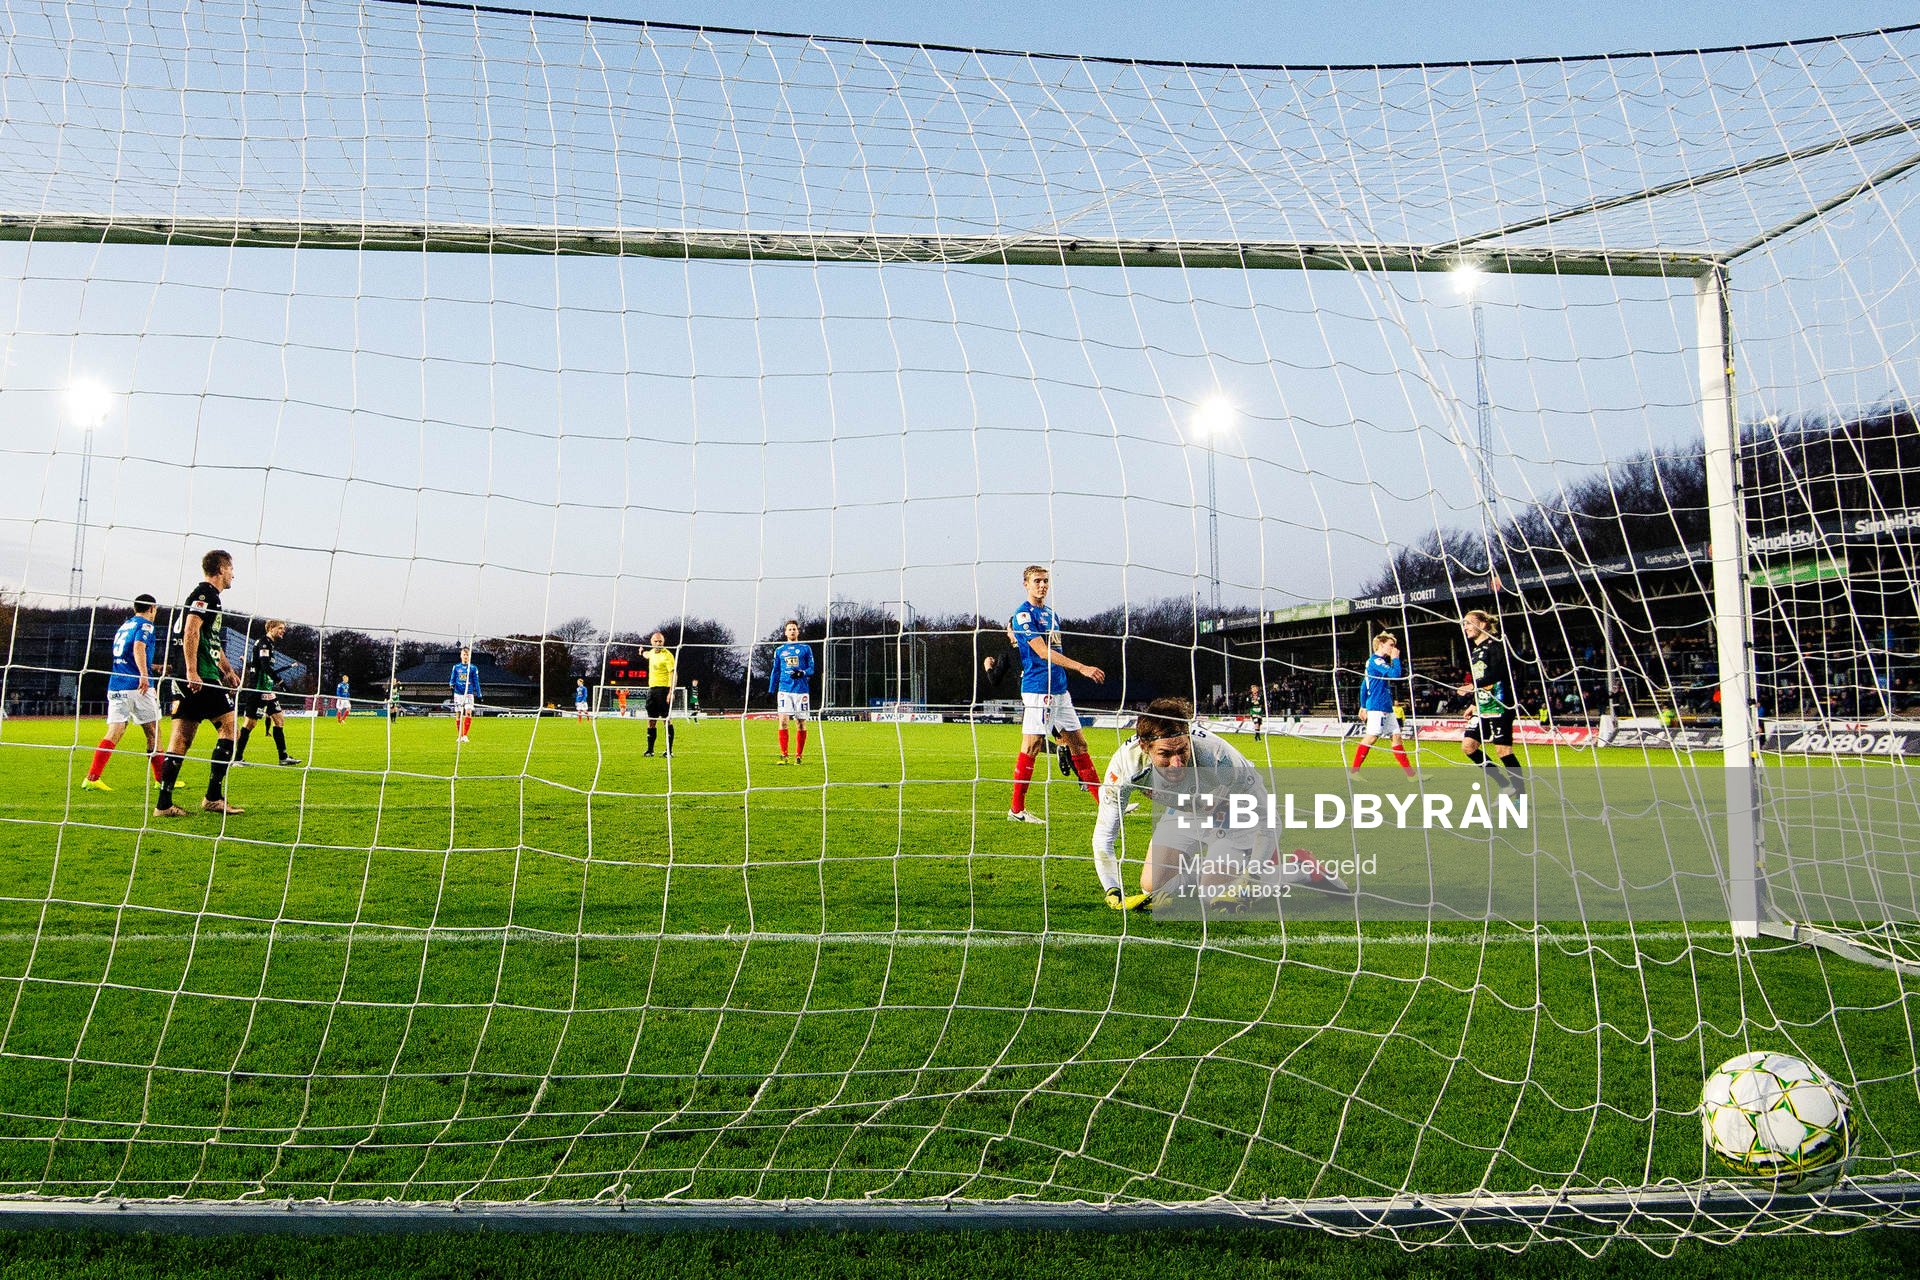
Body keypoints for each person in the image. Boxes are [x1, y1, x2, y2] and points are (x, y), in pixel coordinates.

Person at [1091, 697, 1350, 912]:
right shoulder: (1125, 768)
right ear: (1145, 747)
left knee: (1211, 894)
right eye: (1165, 754)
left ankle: (1301, 868)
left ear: (1189, 740)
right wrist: (1112, 889)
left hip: (1233, 813)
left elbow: (1268, 819)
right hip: (1184, 810)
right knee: (1152, 887)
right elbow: (1105, 834)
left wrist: (1251, 876)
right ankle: (1213, 872)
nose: (1176, 763)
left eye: (1182, 750)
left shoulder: (1220, 758)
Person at [1006, 566, 1106, 824]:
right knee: (1032, 746)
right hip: (1039, 689)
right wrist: (1082, 667)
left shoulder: (1051, 615)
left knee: (1079, 744)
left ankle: (1104, 806)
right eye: (1037, 581)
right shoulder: (1023, 615)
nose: (1042, 585)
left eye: (1046, 581)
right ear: (1025, 584)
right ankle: (1017, 810)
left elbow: (1055, 650)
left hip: (1060, 690)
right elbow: (1041, 652)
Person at [154, 550, 245, 817]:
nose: (233, 574)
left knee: (181, 738)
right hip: (201, 677)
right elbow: (191, 630)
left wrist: (227, 670)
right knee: (230, 729)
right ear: (220, 568)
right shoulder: (207, 595)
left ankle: (163, 804)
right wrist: (194, 671)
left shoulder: (201, 596)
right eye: (230, 568)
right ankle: (213, 797)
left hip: (188, 676)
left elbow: (210, 641)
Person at [79, 594, 164, 791]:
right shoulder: (146, 625)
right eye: (156, 609)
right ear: (151, 608)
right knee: (154, 731)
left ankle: (92, 778)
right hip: (138, 687)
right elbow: (138, 647)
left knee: (115, 730)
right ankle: (161, 780)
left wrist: (154, 667)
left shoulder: (124, 626)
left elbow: (127, 655)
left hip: (117, 685)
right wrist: (144, 674)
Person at [1456, 610, 1523, 796]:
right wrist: (1474, 703)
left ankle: (1520, 797)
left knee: (1503, 750)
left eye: (1469, 623)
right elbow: (1485, 681)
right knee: (1468, 747)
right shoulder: (1476, 650)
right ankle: (1504, 785)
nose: (1465, 627)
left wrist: (1471, 686)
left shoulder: (1496, 645)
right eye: (1464, 624)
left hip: (1500, 704)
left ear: (1483, 624)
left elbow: (1501, 673)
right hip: (1483, 705)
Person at [236, 619, 301, 766]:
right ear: (271, 628)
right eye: (280, 628)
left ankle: (283, 758)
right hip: (258, 689)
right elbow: (265, 666)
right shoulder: (264, 643)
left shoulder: (269, 644)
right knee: (250, 724)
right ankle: (237, 758)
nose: (283, 631)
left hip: (267, 689)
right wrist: (281, 682)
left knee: (279, 720)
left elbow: (258, 665)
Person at [1351, 633, 1415, 778]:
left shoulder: (1376, 662)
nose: (1394, 648)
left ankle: (1411, 775)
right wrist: (1396, 659)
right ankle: (1353, 772)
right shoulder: (1376, 661)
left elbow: (1364, 684)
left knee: (1396, 737)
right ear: (1381, 645)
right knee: (1371, 738)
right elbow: (1396, 675)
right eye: (1391, 645)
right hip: (1377, 705)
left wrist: (1362, 705)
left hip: (1385, 705)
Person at [769, 620, 815, 764]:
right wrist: (771, 689)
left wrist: (802, 673)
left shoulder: (805, 648)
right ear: (785, 632)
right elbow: (775, 671)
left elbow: (812, 669)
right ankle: (784, 755)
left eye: (794, 629)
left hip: (801, 691)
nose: (792, 631)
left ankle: (799, 755)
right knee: (783, 721)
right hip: (784, 690)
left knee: (800, 723)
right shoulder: (780, 650)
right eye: (789, 629)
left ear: (798, 631)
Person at [643, 630, 676, 757]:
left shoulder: (667, 655)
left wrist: (671, 691)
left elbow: (673, 673)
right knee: (651, 720)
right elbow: (646, 654)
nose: (658, 643)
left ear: (663, 642)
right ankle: (650, 750)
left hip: (663, 690)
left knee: (666, 720)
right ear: (652, 642)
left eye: (660, 641)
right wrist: (641, 652)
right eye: (655, 641)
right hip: (652, 690)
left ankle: (669, 751)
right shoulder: (651, 653)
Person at [450, 647, 482, 743]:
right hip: (458, 694)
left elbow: (476, 682)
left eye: (467, 655)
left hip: (468, 694)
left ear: (469, 656)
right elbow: (452, 680)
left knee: (468, 713)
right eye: (464, 654)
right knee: (458, 714)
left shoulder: (473, 668)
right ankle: (459, 735)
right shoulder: (456, 667)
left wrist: (479, 694)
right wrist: (451, 685)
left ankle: (465, 735)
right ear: (461, 655)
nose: (465, 656)